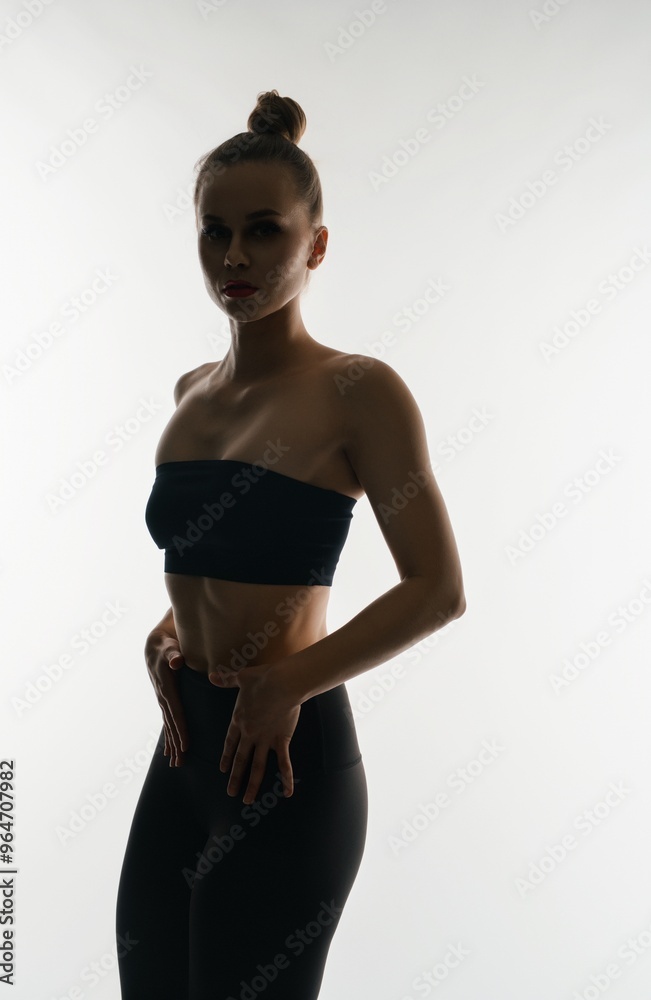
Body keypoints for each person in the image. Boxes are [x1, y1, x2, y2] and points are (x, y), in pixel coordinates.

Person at [115, 89, 466, 999]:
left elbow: (436, 589)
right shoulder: (191, 391)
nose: (234, 256)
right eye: (215, 232)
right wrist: (167, 631)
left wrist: (286, 684)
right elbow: (221, 555)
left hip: (284, 763)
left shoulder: (358, 390)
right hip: (183, 756)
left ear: (315, 245)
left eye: (264, 231)